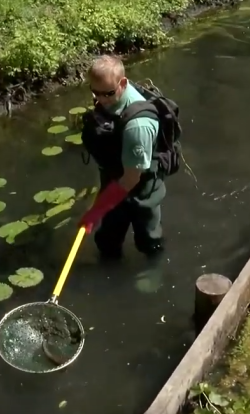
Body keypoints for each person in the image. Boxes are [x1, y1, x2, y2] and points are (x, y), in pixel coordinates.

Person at [77, 55, 182, 261]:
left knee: (148, 239)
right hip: (116, 177)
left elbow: (131, 179)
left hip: (142, 186)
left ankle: (153, 271)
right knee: (108, 239)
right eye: (95, 93)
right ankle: (109, 262)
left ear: (123, 83)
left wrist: (95, 212)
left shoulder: (138, 127)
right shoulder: (109, 95)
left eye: (107, 93)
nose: (101, 100)